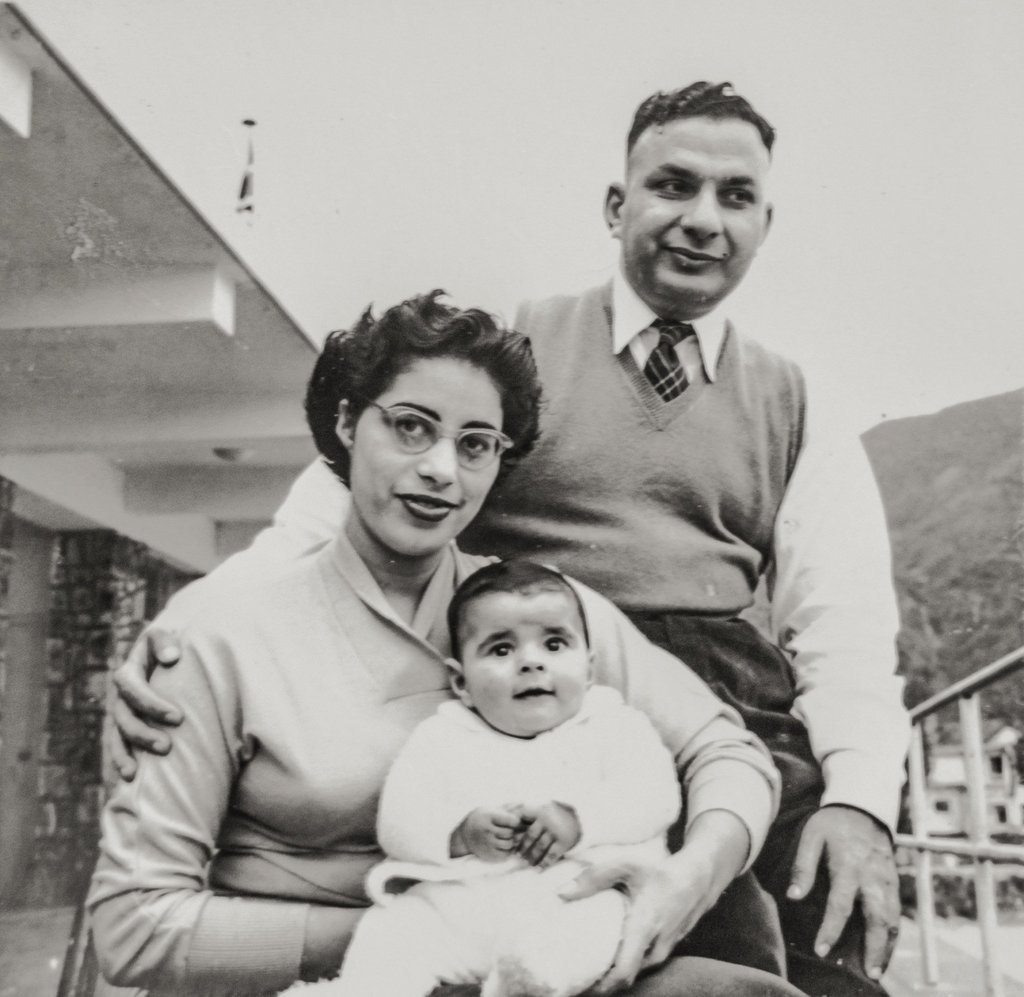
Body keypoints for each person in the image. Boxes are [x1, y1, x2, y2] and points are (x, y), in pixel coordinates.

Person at [111, 82, 909, 995]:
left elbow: (844, 629)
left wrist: (858, 804)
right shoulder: (509, 352)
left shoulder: (800, 401)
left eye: (734, 197)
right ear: (618, 205)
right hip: (520, 680)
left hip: (722, 707)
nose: (701, 219)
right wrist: (182, 642)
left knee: (823, 944)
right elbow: (320, 517)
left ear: (767, 220)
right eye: (672, 186)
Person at [88, 292, 798, 997]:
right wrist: (420, 935)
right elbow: (134, 926)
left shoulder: (540, 614)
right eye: (410, 427)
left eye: (476, 444)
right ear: (344, 423)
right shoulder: (217, 630)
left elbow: (727, 750)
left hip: (531, 966)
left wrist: (688, 877)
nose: (441, 470)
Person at [310, 559, 684, 997]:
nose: (531, 662)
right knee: (396, 927)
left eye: (554, 644)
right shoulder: (442, 736)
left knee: (600, 919)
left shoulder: (615, 725)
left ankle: (527, 982)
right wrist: (460, 833)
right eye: (501, 650)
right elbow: (399, 820)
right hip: (461, 910)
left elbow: (655, 797)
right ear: (462, 682)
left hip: (572, 896)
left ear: (589, 667)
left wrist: (578, 820)